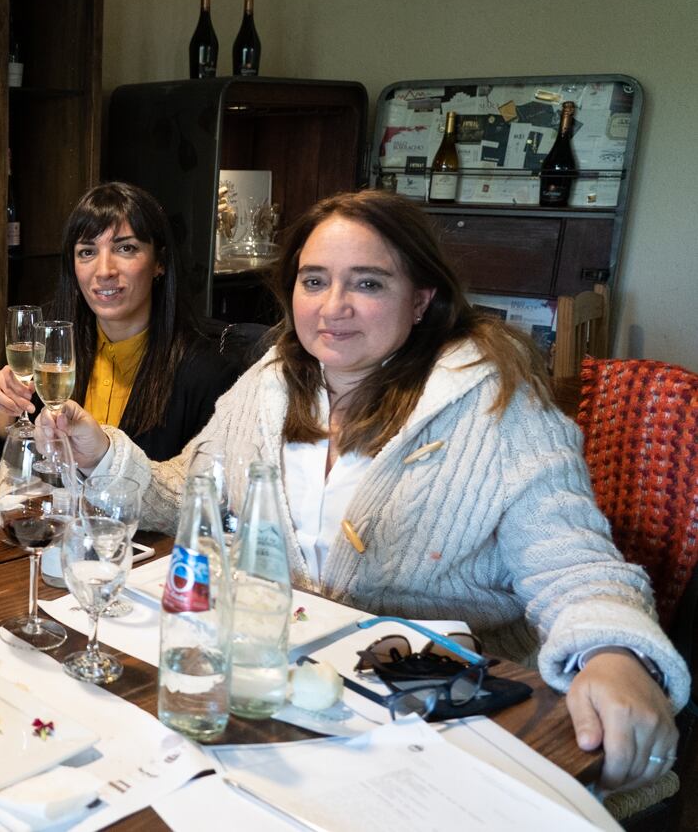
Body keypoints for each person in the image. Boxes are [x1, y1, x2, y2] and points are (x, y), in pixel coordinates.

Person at [45, 190, 689, 792]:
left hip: (444, 716)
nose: (333, 308)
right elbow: (187, 491)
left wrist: (613, 652)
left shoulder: (495, 404)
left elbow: (575, 564)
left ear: (421, 299)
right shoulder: (271, 385)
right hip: (289, 697)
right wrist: (99, 451)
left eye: (369, 283)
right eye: (315, 280)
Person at [0, 182, 236, 461]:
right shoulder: (51, 347)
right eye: (87, 252)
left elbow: (197, 493)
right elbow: (23, 464)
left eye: (126, 248)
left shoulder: (206, 374)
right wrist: (3, 416)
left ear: (159, 262)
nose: (104, 271)